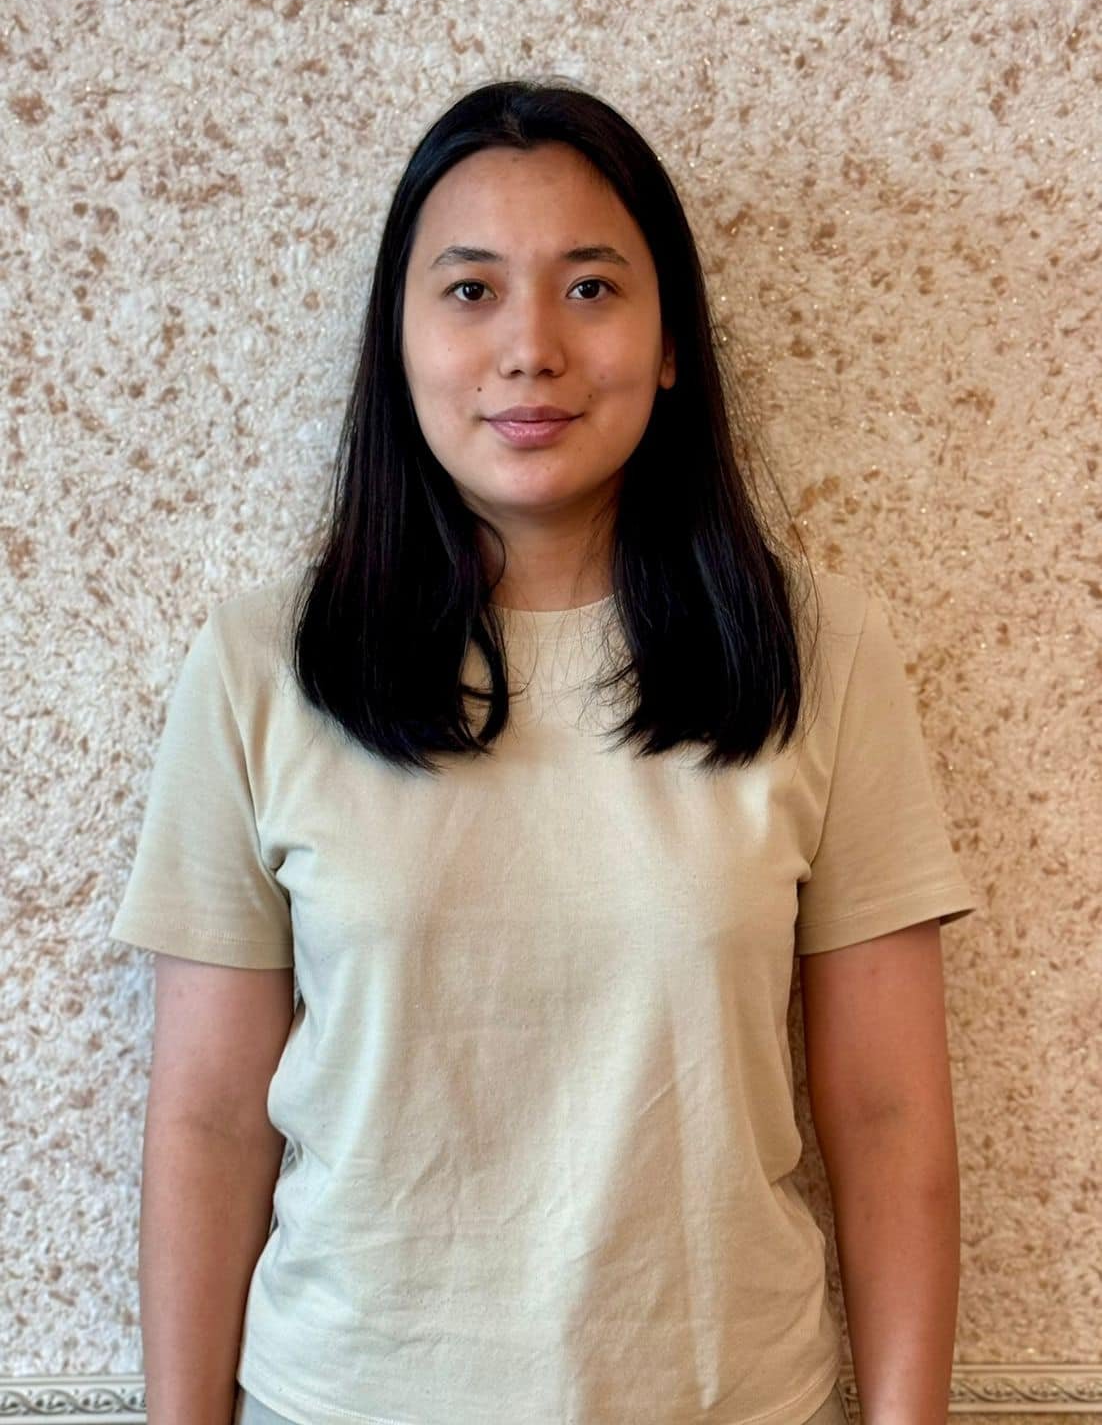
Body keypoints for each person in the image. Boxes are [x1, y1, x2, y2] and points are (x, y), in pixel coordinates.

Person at [109, 78, 977, 1425]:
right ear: (398, 341)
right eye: (470, 291)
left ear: (671, 342)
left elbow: (888, 1115)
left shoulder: (819, 654)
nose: (530, 349)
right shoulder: (262, 667)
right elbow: (209, 1121)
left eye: (589, 288)